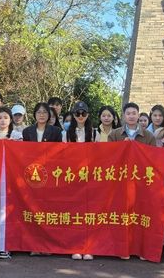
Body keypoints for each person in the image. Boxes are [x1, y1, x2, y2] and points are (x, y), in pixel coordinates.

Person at [63, 101, 94, 260]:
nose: (80, 116)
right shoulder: (67, 133)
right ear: (73, 115)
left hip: (89, 177)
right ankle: (74, 246)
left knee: (89, 212)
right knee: (73, 212)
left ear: (88, 115)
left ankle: (89, 247)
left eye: (83, 113)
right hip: (72, 176)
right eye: (77, 113)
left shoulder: (94, 132)